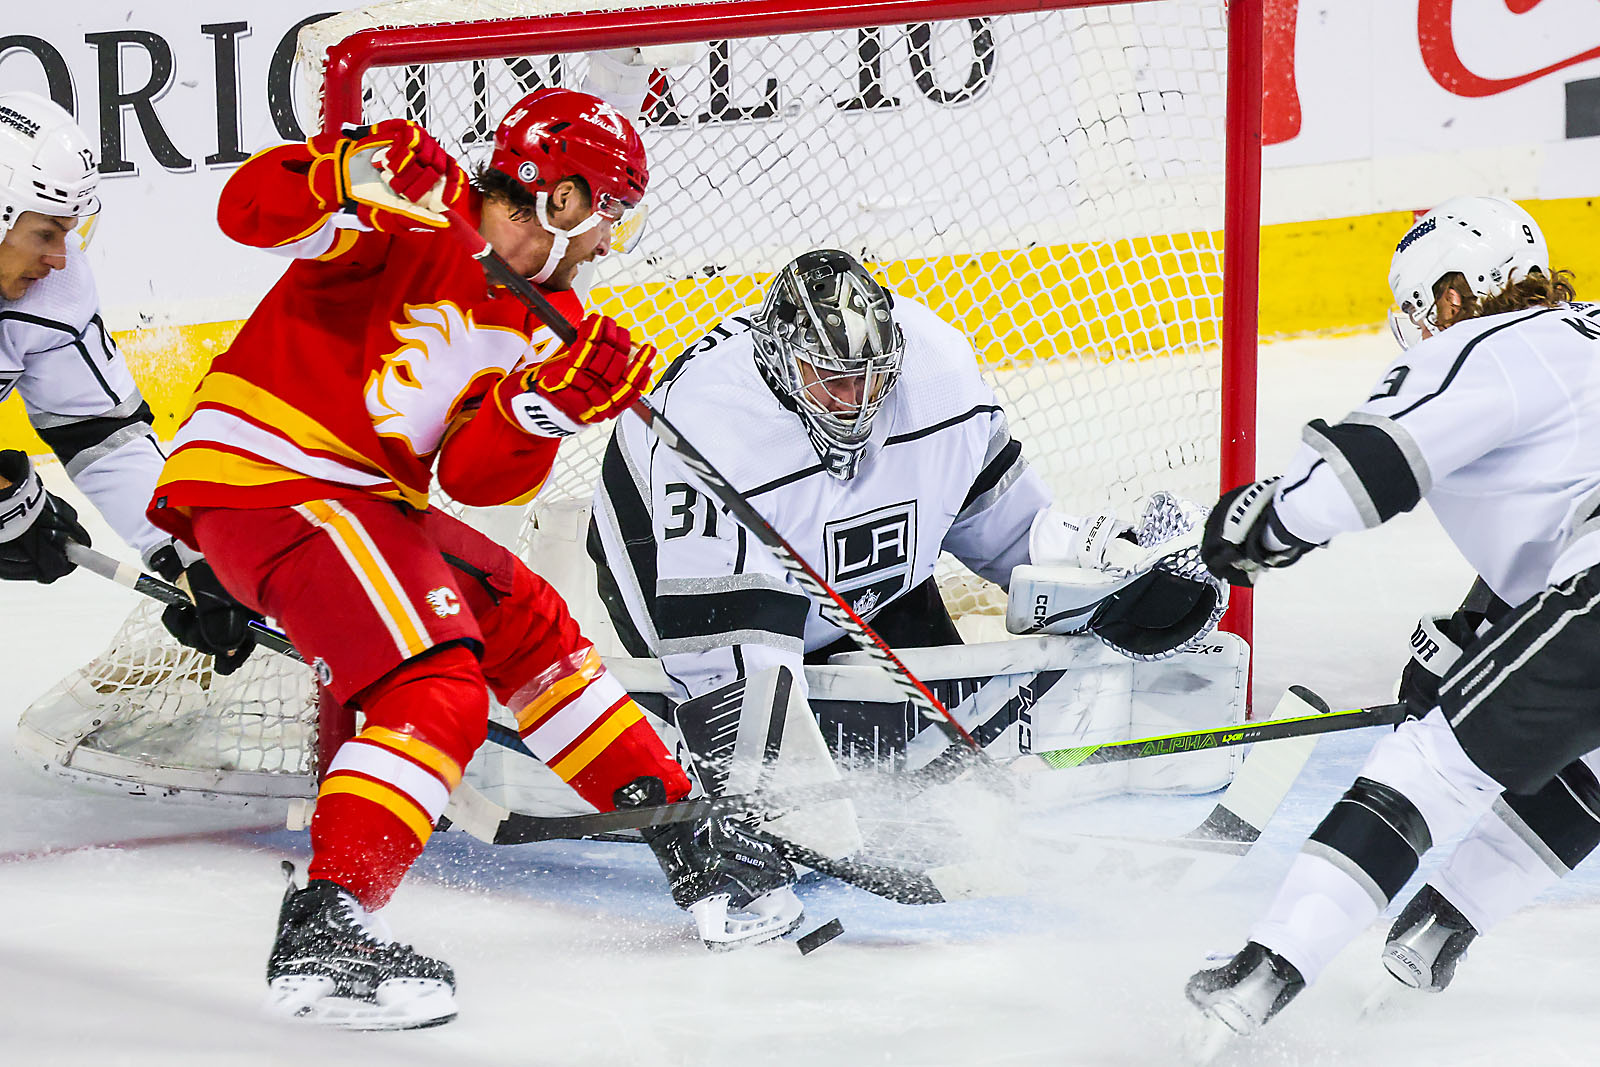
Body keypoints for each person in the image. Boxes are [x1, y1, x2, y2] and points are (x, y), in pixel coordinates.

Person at [146, 88, 793, 1032]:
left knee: (525, 617)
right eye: (609, 211)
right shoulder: (407, 211)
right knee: (432, 686)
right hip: (271, 481)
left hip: (369, 504)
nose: (613, 238)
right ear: (561, 198)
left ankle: (689, 838)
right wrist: (350, 165)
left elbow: (479, 478)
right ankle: (328, 930)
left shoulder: (549, 311)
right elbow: (245, 211)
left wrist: (549, 407)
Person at [1187, 195, 1600, 1040]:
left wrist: (1260, 530)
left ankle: (1262, 974)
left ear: (1452, 295)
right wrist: (1477, 627)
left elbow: (1372, 466)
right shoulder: (1578, 333)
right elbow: (1557, 515)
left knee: (1435, 766)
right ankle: (1441, 924)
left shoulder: (1484, 344)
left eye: (1419, 309)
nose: (1418, 329)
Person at [587, 248, 1225, 794]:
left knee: (949, 778)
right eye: (831, 379)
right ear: (782, 361)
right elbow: (718, 656)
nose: (855, 399)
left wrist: (1108, 575)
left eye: (871, 377)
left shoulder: (939, 374)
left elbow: (1005, 528)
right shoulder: (709, 428)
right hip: (673, 571)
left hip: (861, 580)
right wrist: (751, 787)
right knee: (785, 768)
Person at [0, 89, 257, 670]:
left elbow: (98, 433)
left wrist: (189, 554)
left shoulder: (53, 294)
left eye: (69, 232)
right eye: (46, 234)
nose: (60, 258)